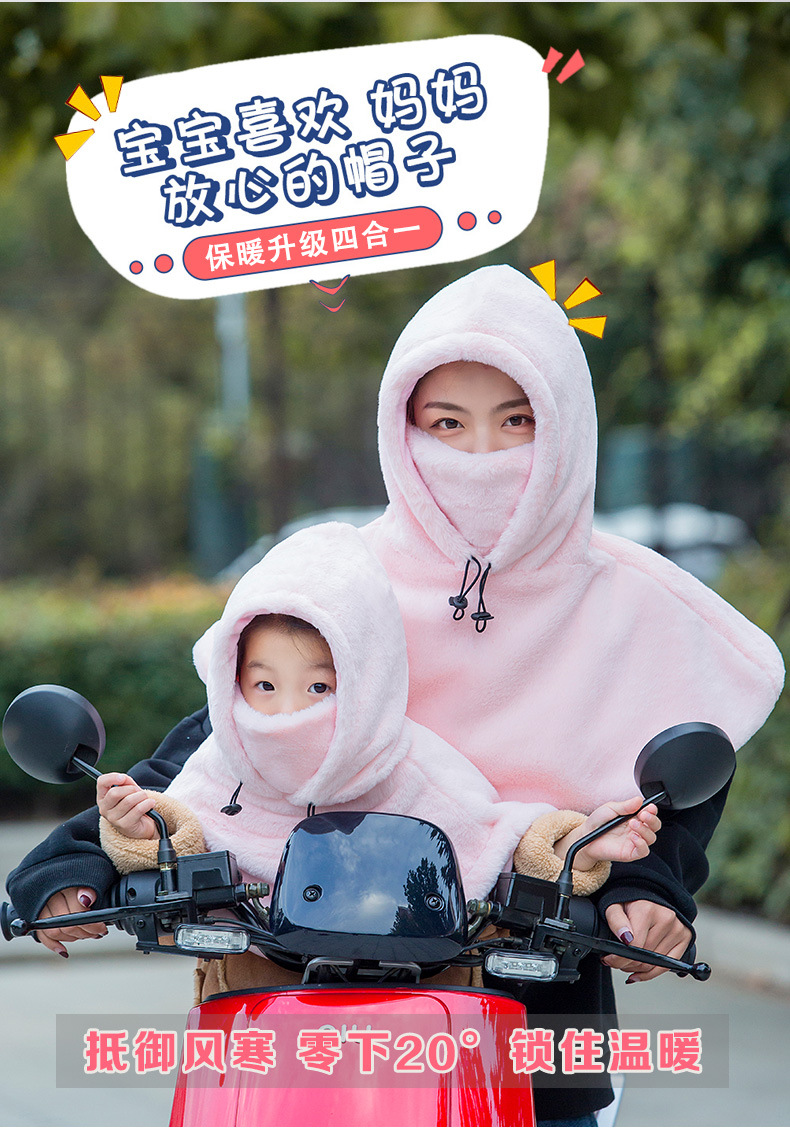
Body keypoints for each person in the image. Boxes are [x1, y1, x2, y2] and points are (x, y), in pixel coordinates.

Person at [7, 264, 784, 1122]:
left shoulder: (636, 605)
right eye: (447, 424)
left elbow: (682, 770)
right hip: (308, 1022)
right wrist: (81, 860)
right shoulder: (349, 579)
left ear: (566, 427)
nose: (482, 459)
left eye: (517, 422)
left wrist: (653, 889)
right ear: (401, 427)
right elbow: (244, 734)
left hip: (540, 1031)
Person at [93, 522, 660, 999]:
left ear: (369, 679)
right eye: (264, 686)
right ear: (230, 680)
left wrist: (579, 845)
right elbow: (183, 836)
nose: (288, 713)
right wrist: (143, 830)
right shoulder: (224, 764)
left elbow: (500, 837)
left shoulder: (407, 762)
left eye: (319, 688)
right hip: (255, 999)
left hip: (426, 999)